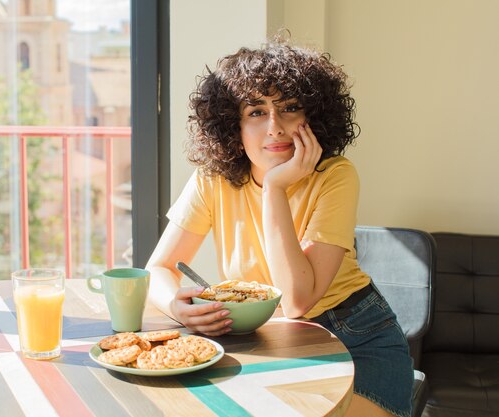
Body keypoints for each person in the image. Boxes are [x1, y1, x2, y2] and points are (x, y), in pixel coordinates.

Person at [145, 36, 414, 417]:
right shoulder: (213, 179)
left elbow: (297, 301)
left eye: (289, 108)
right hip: (265, 337)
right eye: (256, 111)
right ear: (231, 125)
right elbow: (158, 268)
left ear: (314, 117)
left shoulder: (335, 176)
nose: (275, 127)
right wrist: (175, 306)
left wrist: (274, 187)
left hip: (354, 334)